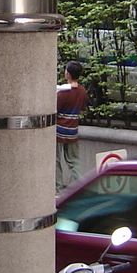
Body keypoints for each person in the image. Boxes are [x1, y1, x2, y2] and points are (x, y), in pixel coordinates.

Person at [56, 60, 87, 193]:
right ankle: (85, 187)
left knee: (55, 161)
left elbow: (55, 111)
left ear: (68, 74)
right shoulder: (82, 91)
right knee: (74, 162)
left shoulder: (62, 93)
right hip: (73, 131)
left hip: (58, 131)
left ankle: (56, 189)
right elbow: (81, 110)